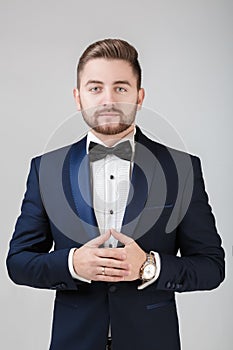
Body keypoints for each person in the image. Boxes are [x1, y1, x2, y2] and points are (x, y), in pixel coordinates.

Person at [6, 38, 225, 350]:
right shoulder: (47, 170)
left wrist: (149, 266)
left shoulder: (181, 169)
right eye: (95, 88)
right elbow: (18, 262)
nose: (108, 100)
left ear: (139, 96)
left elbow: (212, 267)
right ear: (78, 97)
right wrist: (72, 265)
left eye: (120, 88)